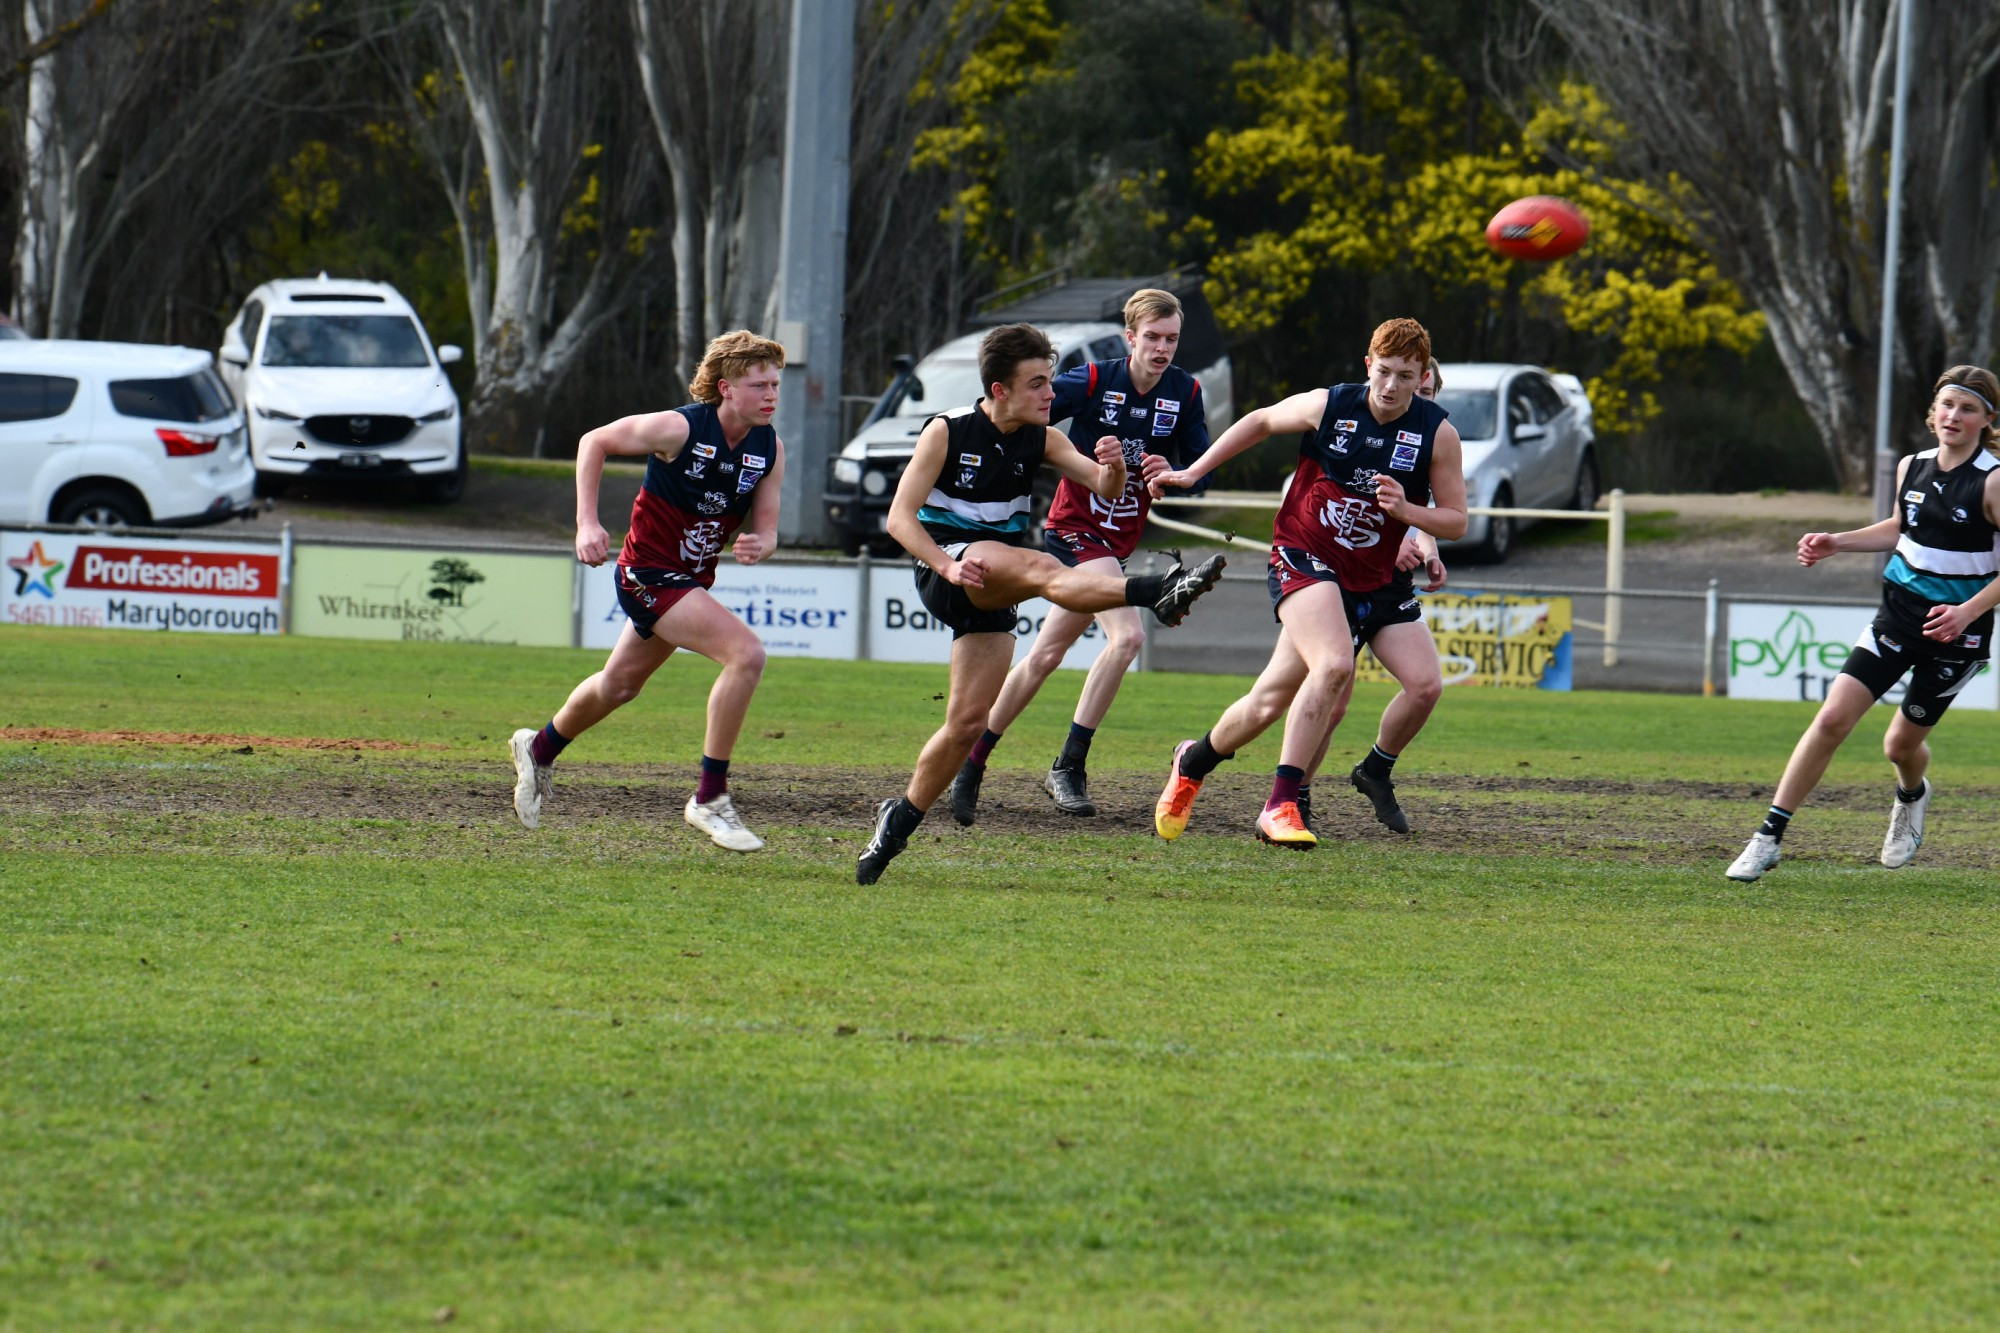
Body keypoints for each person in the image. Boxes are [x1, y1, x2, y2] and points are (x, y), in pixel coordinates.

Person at [857, 322, 1228, 885]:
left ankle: (898, 820)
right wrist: (946, 564)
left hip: (989, 584)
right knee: (1043, 569)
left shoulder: (1046, 436)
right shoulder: (947, 430)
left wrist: (1115, 465)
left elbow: (1103, 488)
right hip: (949, 568)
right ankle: (1157, 590)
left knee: (965, 725)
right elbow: (899, 519)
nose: (1052, 395)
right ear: (999, 389)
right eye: (1037, 384)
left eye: (1051, 382)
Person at [1148, 317, 1467, 849]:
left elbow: (1456, 519)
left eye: (1406, 377)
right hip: (1304, 555)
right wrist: (1191, 472)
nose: (1391, 387)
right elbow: (1259, 421)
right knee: (1336, 665)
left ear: (1423, 376)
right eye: (1383, 372)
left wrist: (1409, 510)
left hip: (1372, 579)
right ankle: (1281, 804)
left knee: (1275, 700)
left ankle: (1194, 760)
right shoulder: (1331, 405)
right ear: (1368, 365)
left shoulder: (1438, 432)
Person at [508, 330, 788, 852]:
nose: (771, 394)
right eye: (759, 385)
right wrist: (586, 524)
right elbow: (595, 441)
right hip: (648, 574)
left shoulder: (769, 448)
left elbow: (768, 527)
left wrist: (762, 542)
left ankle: (539, 747)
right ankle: (709, 797)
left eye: (775, 384)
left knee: (619, 686)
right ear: (725, 388)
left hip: (689, 580)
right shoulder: (679, 427)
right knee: (746, 655)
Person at [946, 288, 1213, 824]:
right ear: (1131, 337)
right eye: (1153, 338)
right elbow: (1023, 412)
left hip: (1119, 541)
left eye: (1172, 339)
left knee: (1044, 657)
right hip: (1075, 529)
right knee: (1130, 636)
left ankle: (971, 763)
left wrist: (1173, 476)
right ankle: (1069, 765)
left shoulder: (1186, 391)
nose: (1163, 349)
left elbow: (1198, 473)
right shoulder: (1094, 380)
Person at [1726, 365, 2000, 881]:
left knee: (1898, 746)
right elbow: (1901, 527)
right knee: (1831, 719)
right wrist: (1838, 542)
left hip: (1955, 634)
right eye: (1946, 405)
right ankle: (1768, 837)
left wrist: (1969, 610)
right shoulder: (1910, 467)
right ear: (1932, 414)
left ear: (1987, 419)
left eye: (1967, 408)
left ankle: (1911, 795)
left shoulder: (1992, 481)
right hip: (1897, 616)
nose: (1954, 416)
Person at [1296, 356, 1450, 834]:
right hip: (1340, 576)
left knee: (1426, 685)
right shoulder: (1355, 421)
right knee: (1333, 698)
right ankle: (1293, 795)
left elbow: (1421, 512)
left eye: (1423, 397)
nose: (1411, 404)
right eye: (1406, 388)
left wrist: (1427, 549)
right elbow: (1355, 507)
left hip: (1389, 585)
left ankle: (1376, 769)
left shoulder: (1432, 437)